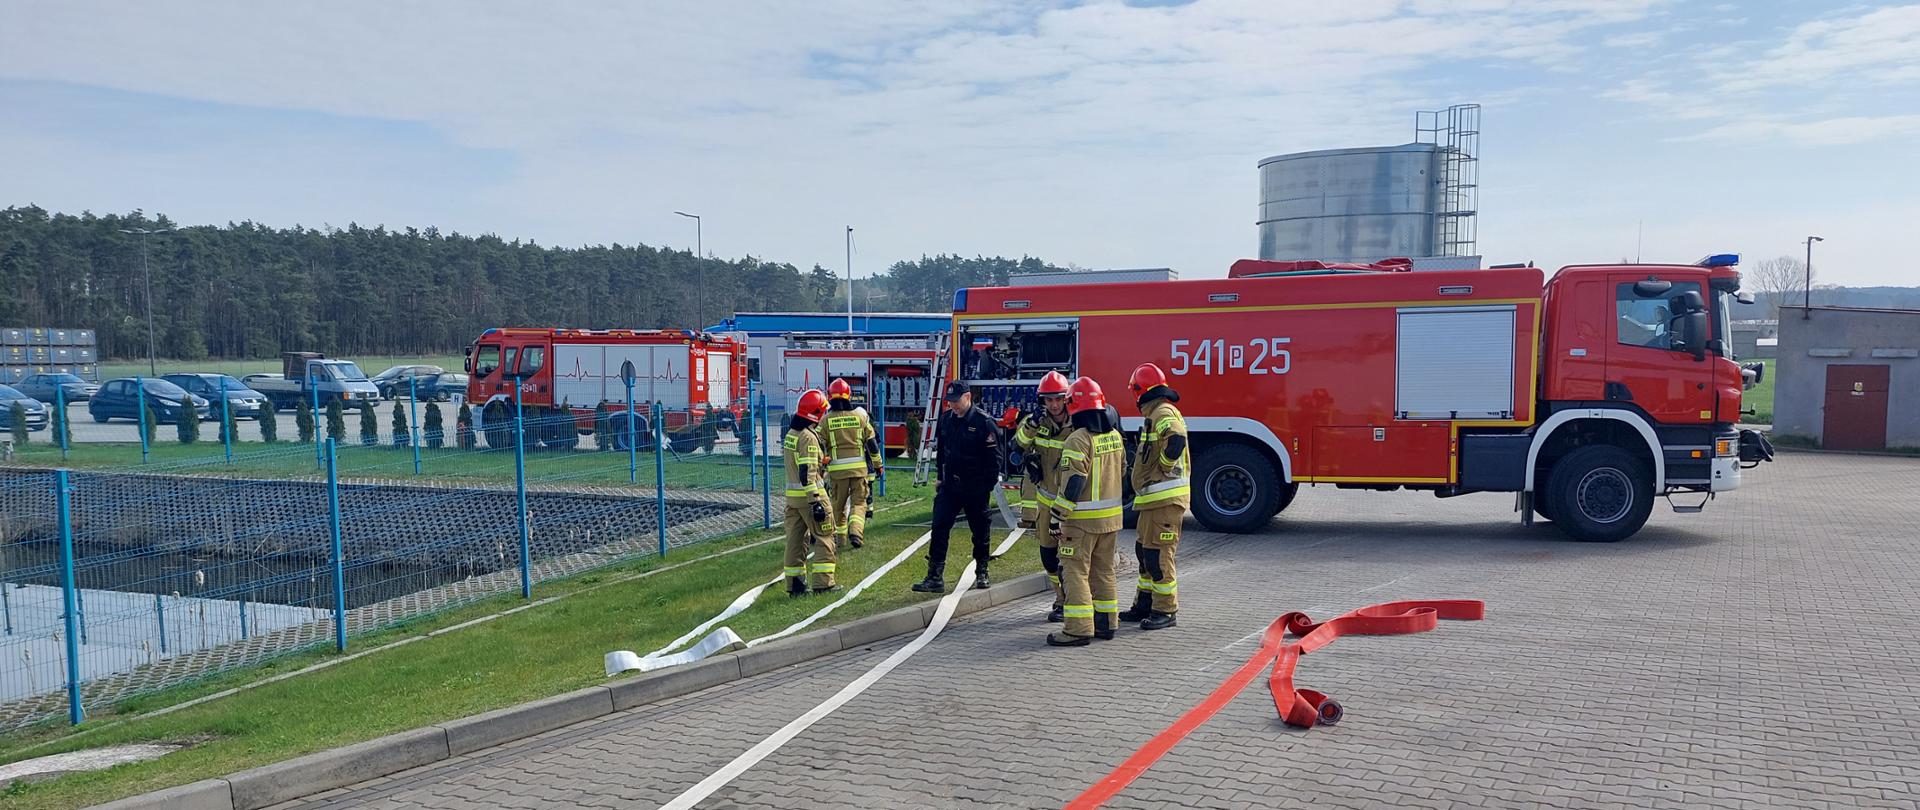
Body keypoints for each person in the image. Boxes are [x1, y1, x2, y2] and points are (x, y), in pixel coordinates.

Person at [1047, 376, 1125, 647]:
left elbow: (1074, 483)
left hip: (1081, 523)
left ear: (1073, 406)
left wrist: (1057, 517)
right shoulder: (1114, 436)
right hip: (1111, 521)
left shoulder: (1077, 440)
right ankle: (1106, 624)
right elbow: (1123, 472)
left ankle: (1078, 629)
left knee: (1075, 572)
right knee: (1104, 571)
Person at [912, 381, 999, 593]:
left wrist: (986, 485)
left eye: (957, 401)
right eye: (950, 402)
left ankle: (982, 571)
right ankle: (934, 576)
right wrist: (941, 477)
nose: (954, 406)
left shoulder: (983, 422)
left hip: (975, 487)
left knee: (980, 531)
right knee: (939, 527)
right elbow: (942, 451)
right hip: (951, 485)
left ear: (968, 397)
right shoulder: (946, 420)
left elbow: (994, 458)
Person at [1119, 363, 1188, 631]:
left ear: (1139, 391)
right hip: (1152, 502)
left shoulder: (1163, 412)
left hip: (1165, 502)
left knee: (1159, 557)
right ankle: (1144, 605)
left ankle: (1166, 610)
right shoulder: (1155, 412)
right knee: (1145, 554)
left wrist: (1164, 465)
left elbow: (1177, 439)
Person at [1013, 370, 1073, 622]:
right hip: (1047, 501)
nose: (1054, 405)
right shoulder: (1035, 423)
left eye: (1058, 399)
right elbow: (1018, 446)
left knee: (1072, 556)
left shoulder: (1078, 422)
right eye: (1049, 400)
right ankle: (1060, 598)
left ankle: (1075, 599)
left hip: (1072, 503)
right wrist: (1031, 427)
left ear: (1066, 398)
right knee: (1048, 555)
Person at [782, 389, 837, 596]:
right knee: (824, 538)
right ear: (816, 414)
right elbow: (807, 473)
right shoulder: (808, 438)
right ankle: (824, 584)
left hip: (793, 501)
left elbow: (798, 466)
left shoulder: (792, 434)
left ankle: (795, 586)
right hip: (810, 497)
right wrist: (815, 502)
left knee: (795, 542)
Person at [823, 379, 880, 549]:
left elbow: (818, 445)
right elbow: (872, 444)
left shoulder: (825, 420)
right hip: (859, 472)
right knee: (859, 503)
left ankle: (840, 540)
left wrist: (821, 465)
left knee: (838, 507)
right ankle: (855, 532)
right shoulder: (861, 416)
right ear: (849, 395)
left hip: (837, 474)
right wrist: (878, 465)